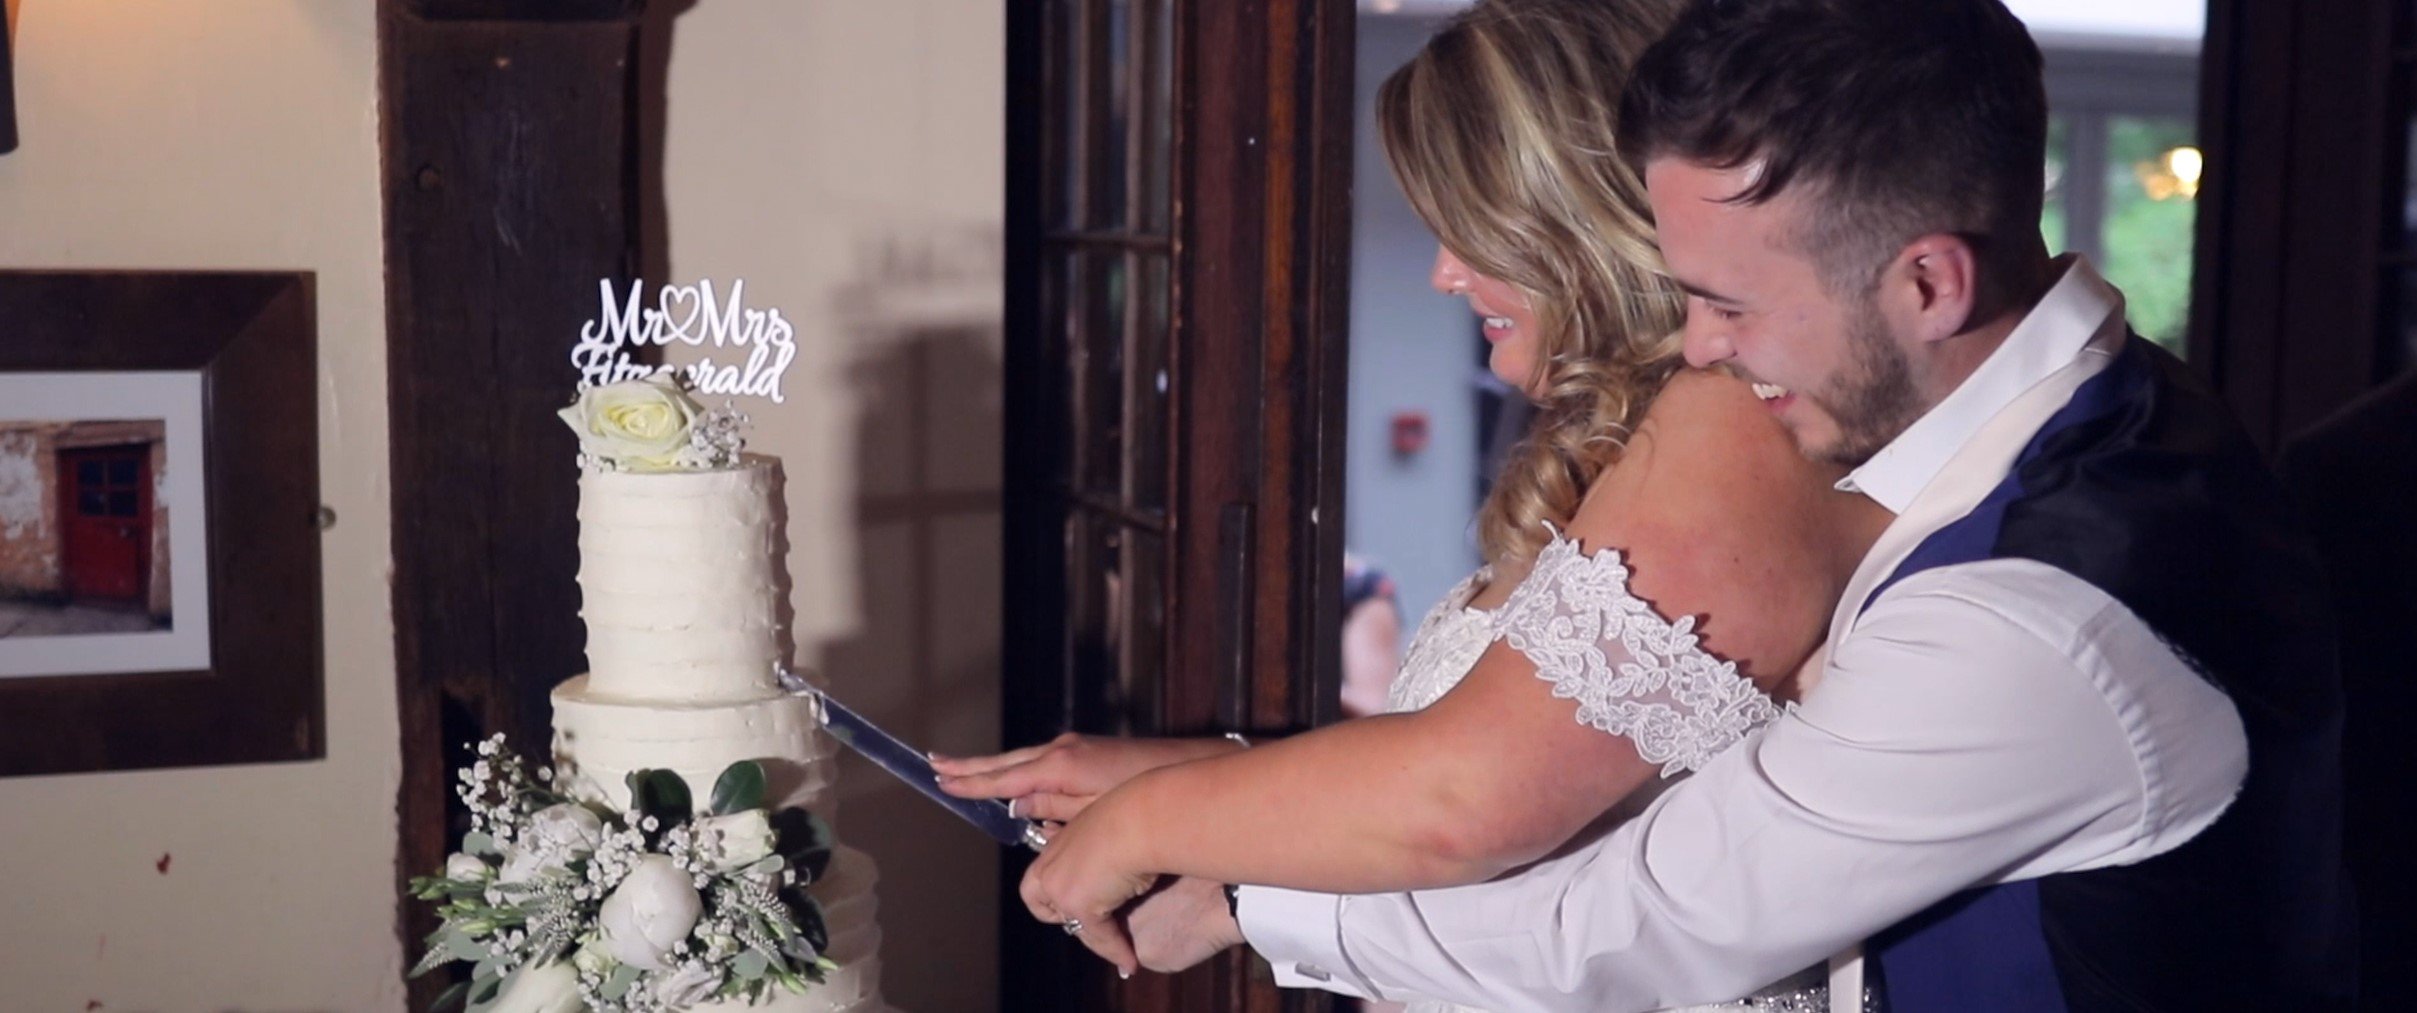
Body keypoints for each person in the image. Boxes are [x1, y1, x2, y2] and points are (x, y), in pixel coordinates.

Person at [1089, 0, 2355, 1008]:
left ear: (1927, 282)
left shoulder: (2034, 621)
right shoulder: (2094, 412)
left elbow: (1630, 927)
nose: (1694, 353)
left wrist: (1245, 899)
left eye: (1731, 307)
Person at [935, 1, 1886, 1008]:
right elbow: (1528, 774)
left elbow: (1465, 801)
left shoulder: (1735, 422)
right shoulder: (1643, 439)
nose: (1441, 272)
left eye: (1462, 228)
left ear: (1574, 209)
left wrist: (1154, 823)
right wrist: (1176, 775)